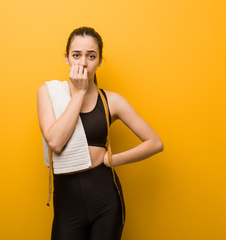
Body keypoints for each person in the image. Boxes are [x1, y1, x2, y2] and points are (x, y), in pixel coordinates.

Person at [37, 26, 164, 240]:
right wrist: (79, 92)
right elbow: (56, 143)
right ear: (66, 57)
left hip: (106, 201)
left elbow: (155, 142)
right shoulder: (48, 93)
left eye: (91, 56)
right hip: (67, 205)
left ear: (100, 60)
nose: (83, 62)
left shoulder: (112, 101)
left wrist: (111, 159)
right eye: (76, 55)